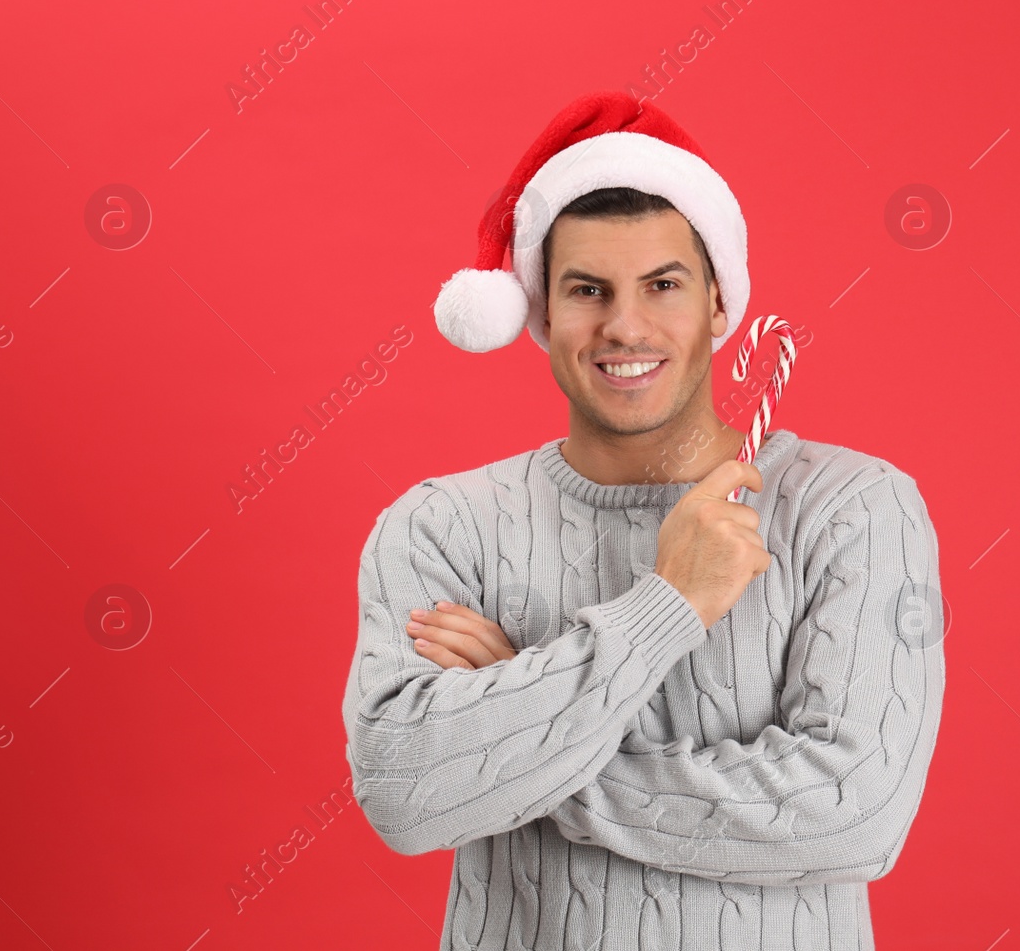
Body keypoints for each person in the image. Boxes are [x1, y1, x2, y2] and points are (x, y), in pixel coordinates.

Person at [341, 91, 945, 950]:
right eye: (588, 289)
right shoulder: (443, 527)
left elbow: (855, 813)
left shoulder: (853, 507)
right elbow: (404, 796)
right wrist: (668, 603)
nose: (625, 325)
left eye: (663, 284)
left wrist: (525, 737)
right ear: (542, 313)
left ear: (717, 304)